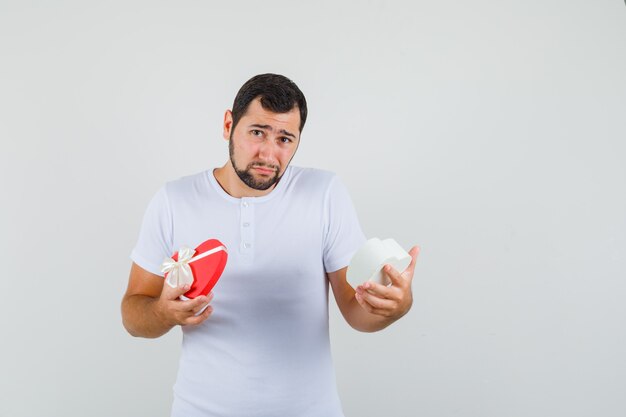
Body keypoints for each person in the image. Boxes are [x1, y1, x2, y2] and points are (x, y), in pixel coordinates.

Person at [121, 73, 419, 417]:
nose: (268, 153)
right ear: (228, 124)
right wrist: (162, 313)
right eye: (257, 132)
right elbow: (132, 313)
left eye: (285, 138)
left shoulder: (324, 193)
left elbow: (356, 311)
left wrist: (393, 306)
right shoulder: (174, 200)